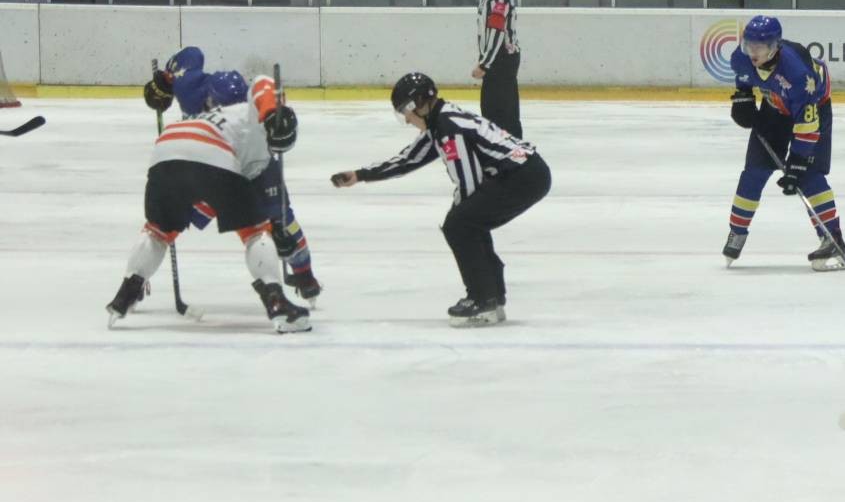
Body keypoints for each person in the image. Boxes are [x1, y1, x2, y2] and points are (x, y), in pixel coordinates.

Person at [329, 73, 549, 327]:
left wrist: (460, 214)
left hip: (524, 177)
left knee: (460, 224)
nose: (407, 120)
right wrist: (360, 175)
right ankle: (492, 297)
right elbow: (409, 159)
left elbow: (469, 183)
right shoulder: (440, 121)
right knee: (467, 221)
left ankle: (483, 299)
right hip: (526, 172)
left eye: (406, 113)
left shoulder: (448, 129)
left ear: (419, 104)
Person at [108, 72, 309, 333]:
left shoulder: (222, 121)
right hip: (210, 152)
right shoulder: (251, 115)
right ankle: (276, 302)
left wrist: (274, 228)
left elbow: (211, 197)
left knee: (158, 231)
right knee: (255, 234)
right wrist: (272, 112)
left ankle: (125, 294)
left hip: (166, 149)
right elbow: (262, 81)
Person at [144, 47, 323, 306]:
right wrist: (162, 83)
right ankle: (138, 276)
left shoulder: (252, 116)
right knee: (169, 217)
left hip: (247, 169)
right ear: (208, 97)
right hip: (207, 168)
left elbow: (276, 128)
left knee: (282, 220)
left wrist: (276, 226)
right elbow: (188, 57)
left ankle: (305, 275)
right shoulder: (191, 86)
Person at [723, 15, 845, 272]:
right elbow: (744, 77)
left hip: (814, 108)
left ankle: (832, 238)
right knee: (754, 171)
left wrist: (798, 163)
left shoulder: (798, 75)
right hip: (775, 107)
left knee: (808, 175)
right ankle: (737, 231)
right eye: (749, 45)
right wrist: (743, 97)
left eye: (759, 47)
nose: (752, 52)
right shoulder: (741, 57)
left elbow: (807, 125)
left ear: (774, 47)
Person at [472, 0, 522, 137]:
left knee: (502, 113)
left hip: (501, 61)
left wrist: (484, 64)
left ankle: (514, 149)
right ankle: (501, 148)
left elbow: (496, 32)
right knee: (491, 112)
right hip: (496, 61)